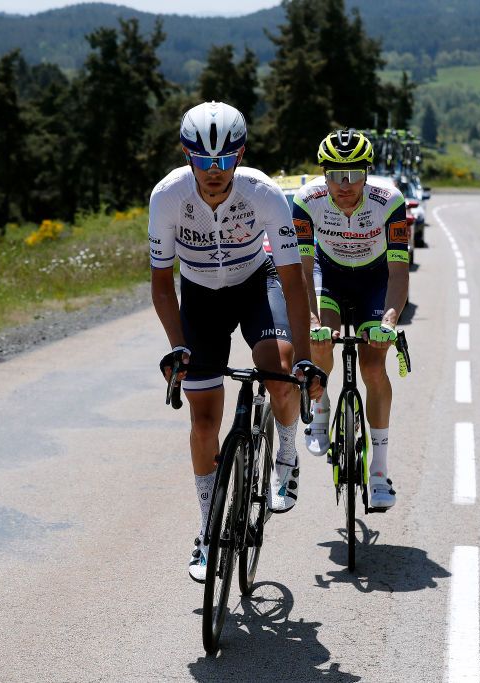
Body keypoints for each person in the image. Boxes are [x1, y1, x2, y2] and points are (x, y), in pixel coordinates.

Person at [149, 101, 326, 583]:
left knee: (280, 373)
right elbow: (163, 285)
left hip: (256, 285)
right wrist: (176, 345)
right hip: (201, 298)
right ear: (187, 157)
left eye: (224, 160)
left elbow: (292, 283)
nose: (214, 172)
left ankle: (286, 456)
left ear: (240, 154)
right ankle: (207, 532)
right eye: (203, 161)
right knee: (204, 421)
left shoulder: (263, 193)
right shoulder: (167, 197)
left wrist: (307, 361)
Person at [292, 129, 410, 510]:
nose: (345, 185)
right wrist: (311, 320)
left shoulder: (389, 201)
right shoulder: (306, 200)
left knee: (373, 369)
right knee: (320, 340)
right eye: (336, 175)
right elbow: (304, 270)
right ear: (323, 174)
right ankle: (322, 410)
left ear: (367, 172)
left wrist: (389, 322)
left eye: (354, 174)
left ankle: (379, 472)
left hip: (375, 281)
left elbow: (399, 273)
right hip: (331, 277)